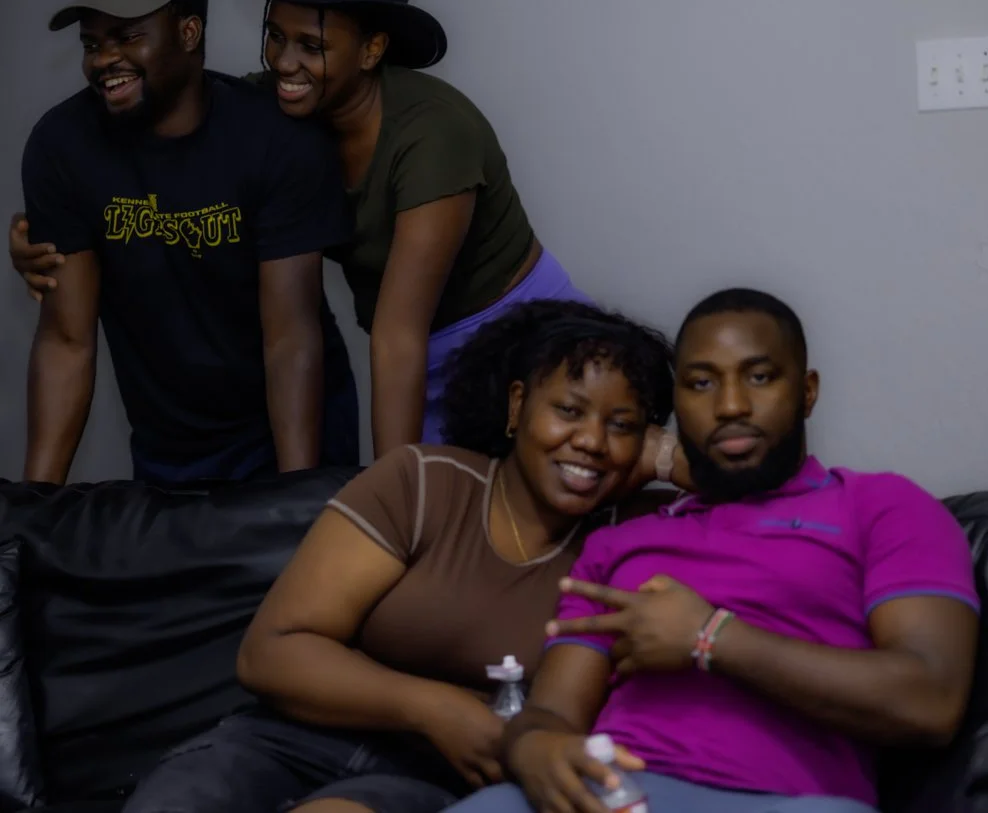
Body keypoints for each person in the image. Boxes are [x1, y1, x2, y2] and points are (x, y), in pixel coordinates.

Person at [10, 0, 592, 458]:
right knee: (452, 537)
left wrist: (384, 507)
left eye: (311, 46)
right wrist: (42, 239)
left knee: (513, 524)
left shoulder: (434, 136)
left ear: (372, 49)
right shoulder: (273, 112)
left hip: (518, 337)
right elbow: (189, 148)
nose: (284, 63)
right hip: (417, 355)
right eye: (275, 36)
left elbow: (396, 335)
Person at [118, 299, 682, 813]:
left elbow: (761, 488)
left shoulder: (628, 537)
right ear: (517, 405)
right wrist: (435, 708)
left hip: (434, 782)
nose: (591, 440)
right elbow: (271, 652)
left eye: (621, 425)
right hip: (286, 742)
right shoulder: (426, 484)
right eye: (569, 409)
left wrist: (667, 456)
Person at [445, 288, 981, 813]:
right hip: (616, 793)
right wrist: (533, 745)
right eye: (701, 384)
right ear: (677, 406)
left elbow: (930, 700)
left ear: (808, 390)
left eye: (760, 377)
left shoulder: (882, 507)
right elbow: (553, 714)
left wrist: (711, 637)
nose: (729, 405)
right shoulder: (621, 544)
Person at [17, 0, 359, 486]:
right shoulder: (62, 147)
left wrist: (293, 500)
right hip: (167, 439)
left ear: (188, 32)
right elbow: (66, 339)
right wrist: (30, 513)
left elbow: (289, 339)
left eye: (128, 36)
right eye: (92, 42)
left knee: (297, 567)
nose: (105, 59)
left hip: (289, 427)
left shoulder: (275, 141)